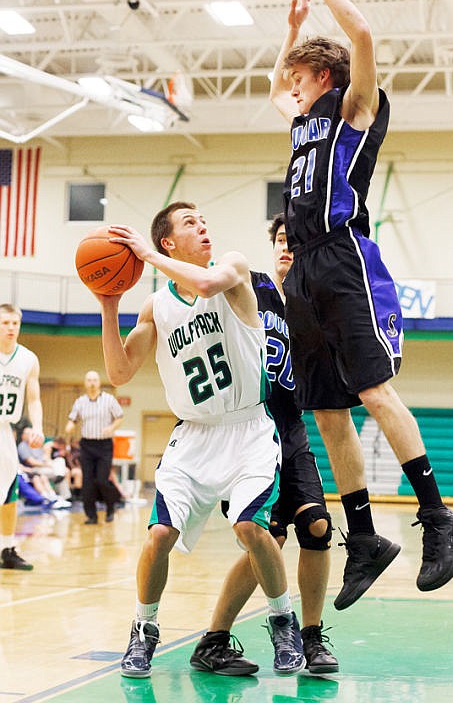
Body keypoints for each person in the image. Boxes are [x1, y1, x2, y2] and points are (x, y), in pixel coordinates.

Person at [269, 0, 453, 609]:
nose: (290, 87)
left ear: (323, 76)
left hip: (342, 258)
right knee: (327, 412)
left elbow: (362, 35)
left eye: (300, 76)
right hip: (300, 271)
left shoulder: (354, 105)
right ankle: (365, 539)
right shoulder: (299, 121)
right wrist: (288, 32)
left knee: (376, 394)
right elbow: (273, 88)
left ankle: (438, 518)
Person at [93, 202, 305, 678]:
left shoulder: (231, 268)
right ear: (170, 241)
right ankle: (143, 630)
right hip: (193, 436)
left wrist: (145, 256)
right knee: (159, 535)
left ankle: (282, 621)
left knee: (251, 528)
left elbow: (204, 284)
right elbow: (119, 371)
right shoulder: (156, 305)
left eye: (204, 221)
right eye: (191, 224)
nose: (203, 227)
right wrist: (108, 305)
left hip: (249, 429)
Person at [190, 214, 338, 676]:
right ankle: (215, 638)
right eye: (279, 240)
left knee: (316, 527)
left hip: (291, 429)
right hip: (249, 428)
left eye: (296, 242)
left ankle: (311, 638)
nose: (287, 247)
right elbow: (206, 288)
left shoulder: (319, 307)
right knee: (266, 537)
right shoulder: (249, 285)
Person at [0, 303, 45, 570]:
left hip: (5, 430)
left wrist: (37, 427)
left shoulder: (28, 359)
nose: (11, 328)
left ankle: (6, 548)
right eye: (5, 323)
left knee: (8, 492)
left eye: (15, 323)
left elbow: (35, 399)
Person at [65, 370, 123, 524]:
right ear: (85, 383)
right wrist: (69, 426)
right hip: (87, 446)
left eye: (94, 380)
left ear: (99, 382)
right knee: (87, 482)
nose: (91, 383)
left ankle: (111, 507)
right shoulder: (80, 402)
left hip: (104, 445)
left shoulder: (109, 400)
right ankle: (91, 515)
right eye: (89, 380)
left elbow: (120, 417)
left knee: (102, 480)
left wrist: (112, 428)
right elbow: (72, 419)